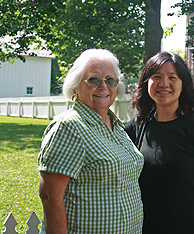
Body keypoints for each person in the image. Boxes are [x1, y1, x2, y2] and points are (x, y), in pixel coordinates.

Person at [38, 49, 144, 234]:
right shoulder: (69, 127)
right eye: (94, 80)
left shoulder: (117, 126)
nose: (103, 86)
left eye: (110, 80)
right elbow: (50, 197)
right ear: (76, 86)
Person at [125, 52, 194, 234]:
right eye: (156, 77)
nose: (164, 83)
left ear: (183, 84)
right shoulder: (136, 127)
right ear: (147, 83)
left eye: (172, 77)